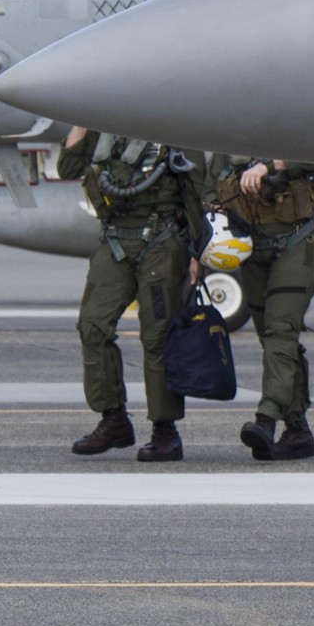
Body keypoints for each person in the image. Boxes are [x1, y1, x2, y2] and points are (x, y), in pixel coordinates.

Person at [60, 127, 209, 462]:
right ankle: (113, 419)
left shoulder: (170, 122)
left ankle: (165, 431)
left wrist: (199, 253)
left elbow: (199, 189)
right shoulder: (99, 126)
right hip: (115, 240)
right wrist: (80, 122)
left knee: (156, 334)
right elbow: (67, 169)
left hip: (161, 239)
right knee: (92, 325)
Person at [212, 155, 314, 460]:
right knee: (271, 337)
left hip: (299, 237)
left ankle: (266, 418)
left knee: (281, 329)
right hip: (252, 245)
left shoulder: (295, 119)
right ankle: (297, 430)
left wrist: (267, 167)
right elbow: (209, 183)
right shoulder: (228, 126)